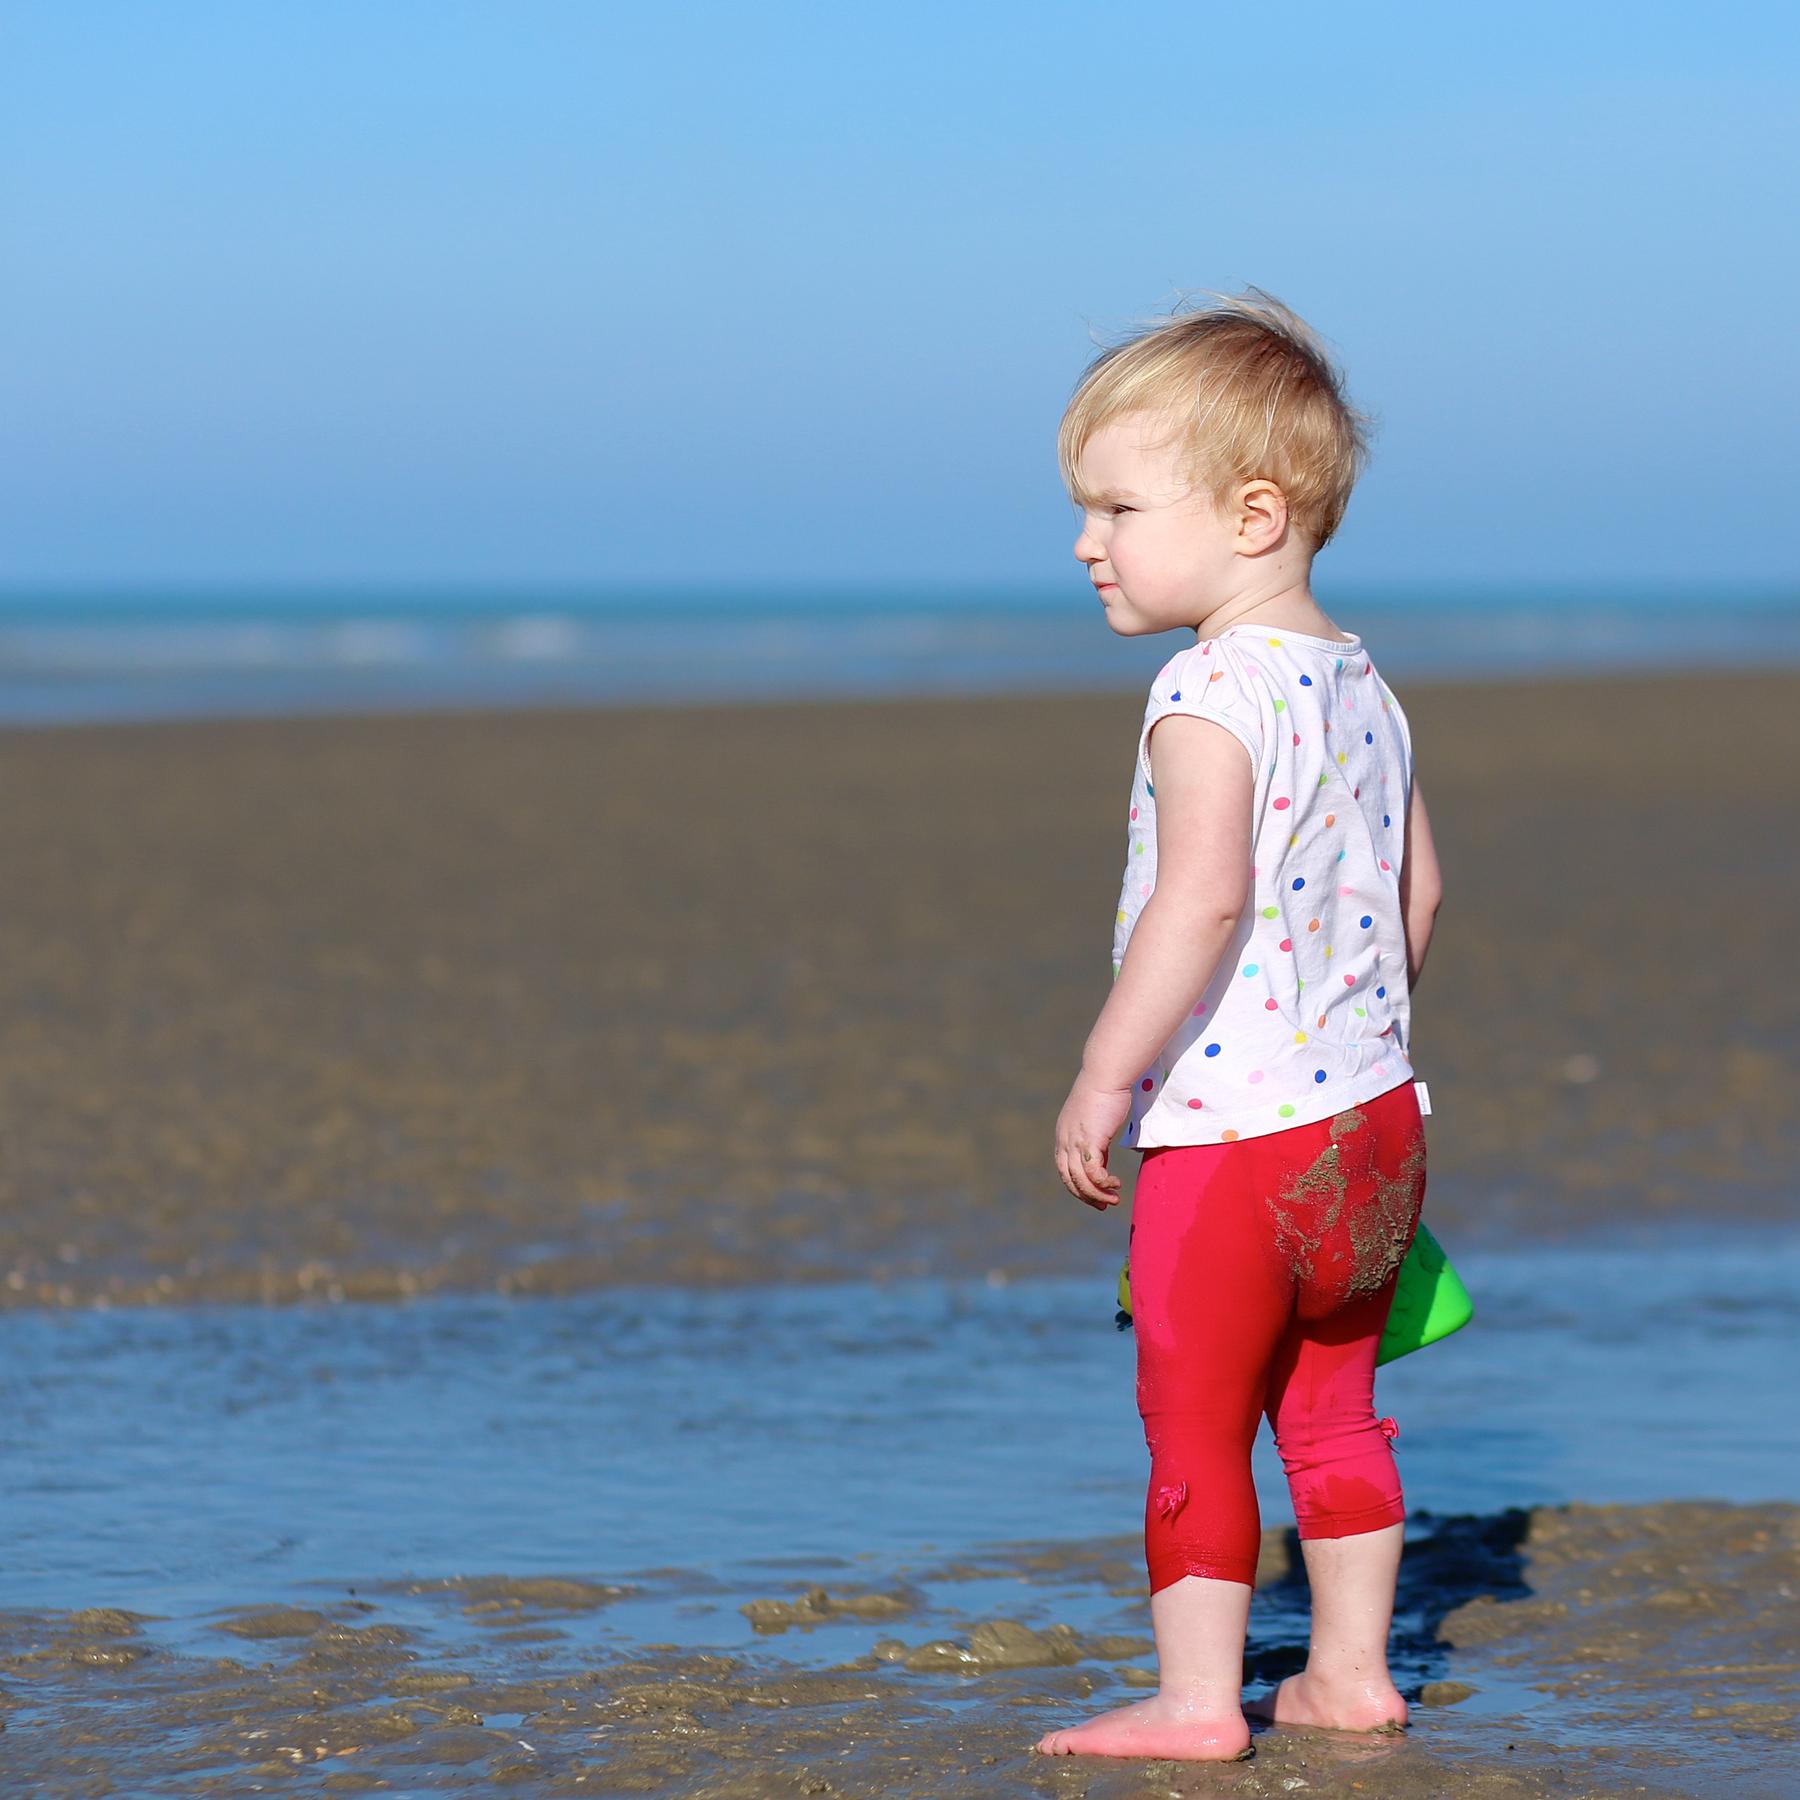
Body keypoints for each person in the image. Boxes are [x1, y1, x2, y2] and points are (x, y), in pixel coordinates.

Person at [1033, 287, 1445, 1762]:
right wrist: (1355, 1038)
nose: (1089, 542)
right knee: (1334, 1415)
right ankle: (1351, 1675)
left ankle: (1202, 1705)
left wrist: (1106, 1070)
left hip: (1235, 1140)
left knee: (1196, 1422)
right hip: (1374, 1127)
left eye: (1118, 508)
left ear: (1254, 512)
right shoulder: (1363, 685)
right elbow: (1422, 892)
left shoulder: (1205, 687)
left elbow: (1198, 901)